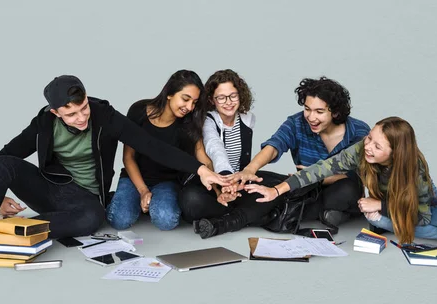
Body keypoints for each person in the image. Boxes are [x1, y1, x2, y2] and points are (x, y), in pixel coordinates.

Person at [0, 75, 228, 260]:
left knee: (91, 218)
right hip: (50, 189)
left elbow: (153, 146)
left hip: (84, 199)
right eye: (71, 114)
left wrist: (200, 169)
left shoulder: (105, 116)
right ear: (55, 113)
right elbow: (6, 156)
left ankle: (7, 233)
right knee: (6, 164)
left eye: (83, 109)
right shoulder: (43, 123)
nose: (81, 118)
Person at [244, 117, 437, 245]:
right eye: (369, 138)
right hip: (390, 208)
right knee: (374, 219)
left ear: (395, 153)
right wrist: (276, 190)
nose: (367, 147)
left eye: (377, 146)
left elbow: (421, 217)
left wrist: (381, 205)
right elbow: (319, 170)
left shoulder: (414, 168)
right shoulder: (361, 150)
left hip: (419, 207)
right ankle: (436, 229)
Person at [231, 76, 370, 228]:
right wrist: (249, 170)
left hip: (336, 189)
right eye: (307, 109)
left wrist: (317, 178)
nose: (311, 117)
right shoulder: (296, 123)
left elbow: (356, 174)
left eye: (319, 111)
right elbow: (274, 145)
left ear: (335, 113)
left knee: (347, 188)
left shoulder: (358, 130)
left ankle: (279, 211)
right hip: (302, 187)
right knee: (257, 179)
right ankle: (321, 213)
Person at [106, 70, 215, 231]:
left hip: (167, 182)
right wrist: (143, 191)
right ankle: (124, 199)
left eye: (194, 102)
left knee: (166, 220)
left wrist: (218, 185)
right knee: (120, 220)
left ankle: (150, 203)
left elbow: (202, 157)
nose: (189, 107)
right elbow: (128, 157)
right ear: (170, 93)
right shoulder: (139, 110)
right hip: (134, 177)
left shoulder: (190, 122)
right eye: (185, 99)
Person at [178, 69, 280, 238]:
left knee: (280, 183)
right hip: (214, 185)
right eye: (221, 97)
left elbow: (245, 166)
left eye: (233, 96)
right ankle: (255, 215)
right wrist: (225, 181)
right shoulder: (207, 120)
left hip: (239, 183)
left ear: (240, 95)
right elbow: (214, 147)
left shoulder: (247, 119)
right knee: (190, 200)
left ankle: (231, 217)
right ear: (212, 99)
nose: (228, 102)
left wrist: (236, 183)